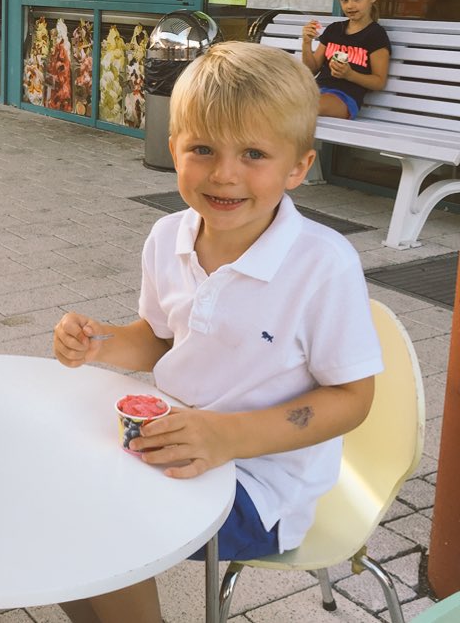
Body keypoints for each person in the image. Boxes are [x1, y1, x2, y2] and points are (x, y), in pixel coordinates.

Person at [53, 41, 381, 623]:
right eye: (202, 148)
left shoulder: (321, 265)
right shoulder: (167, 238)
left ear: (299, 167)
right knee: (48, 494)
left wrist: (225, 438)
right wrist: (102, 342)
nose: (224, 174)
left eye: (254, 153)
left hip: (264, 485)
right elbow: (159, 339)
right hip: (171, 438)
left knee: (100, 526)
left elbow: (352, 399)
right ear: (172, 149)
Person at [301, 0, 390, 119]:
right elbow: (312, 69)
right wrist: (306, 43)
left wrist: (350, 74)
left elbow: (379, 81)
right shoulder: (334, 30)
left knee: (300, 107)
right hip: (316, 90)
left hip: (345, 98)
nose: (350, 5)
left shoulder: (375, 35)